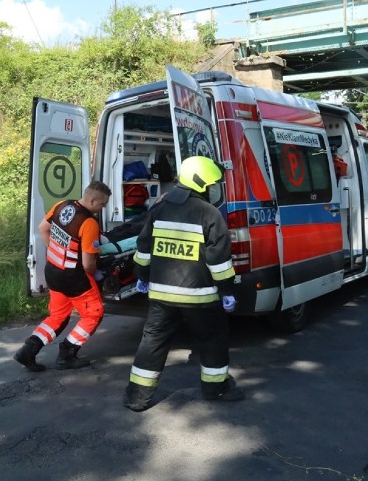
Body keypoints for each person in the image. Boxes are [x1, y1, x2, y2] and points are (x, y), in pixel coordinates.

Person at [122, 155, 245, 412]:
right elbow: (219, 261)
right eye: (210, 185)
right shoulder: (209, 214)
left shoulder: (159, 208)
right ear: (200, 183)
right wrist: (227, 291)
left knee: (152, 342)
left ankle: (137, 397)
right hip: (199, 297)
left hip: (161, 295)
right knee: (213, 339)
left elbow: (143, 248)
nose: (212, 189)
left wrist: (142, 277)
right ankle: (216, 388)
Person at [14, 180, 113, 371]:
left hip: (53, 271)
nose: (102, 208)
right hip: (74, 279)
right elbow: (87, 264)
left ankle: (28, 351)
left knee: (58, 315)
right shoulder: (88, 223)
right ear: (93, 201)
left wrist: (57, 253)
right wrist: (96, 274)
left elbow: (43, 228)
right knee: (94, 314)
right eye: (102, 204)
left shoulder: (62, 205)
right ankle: (67, 353)